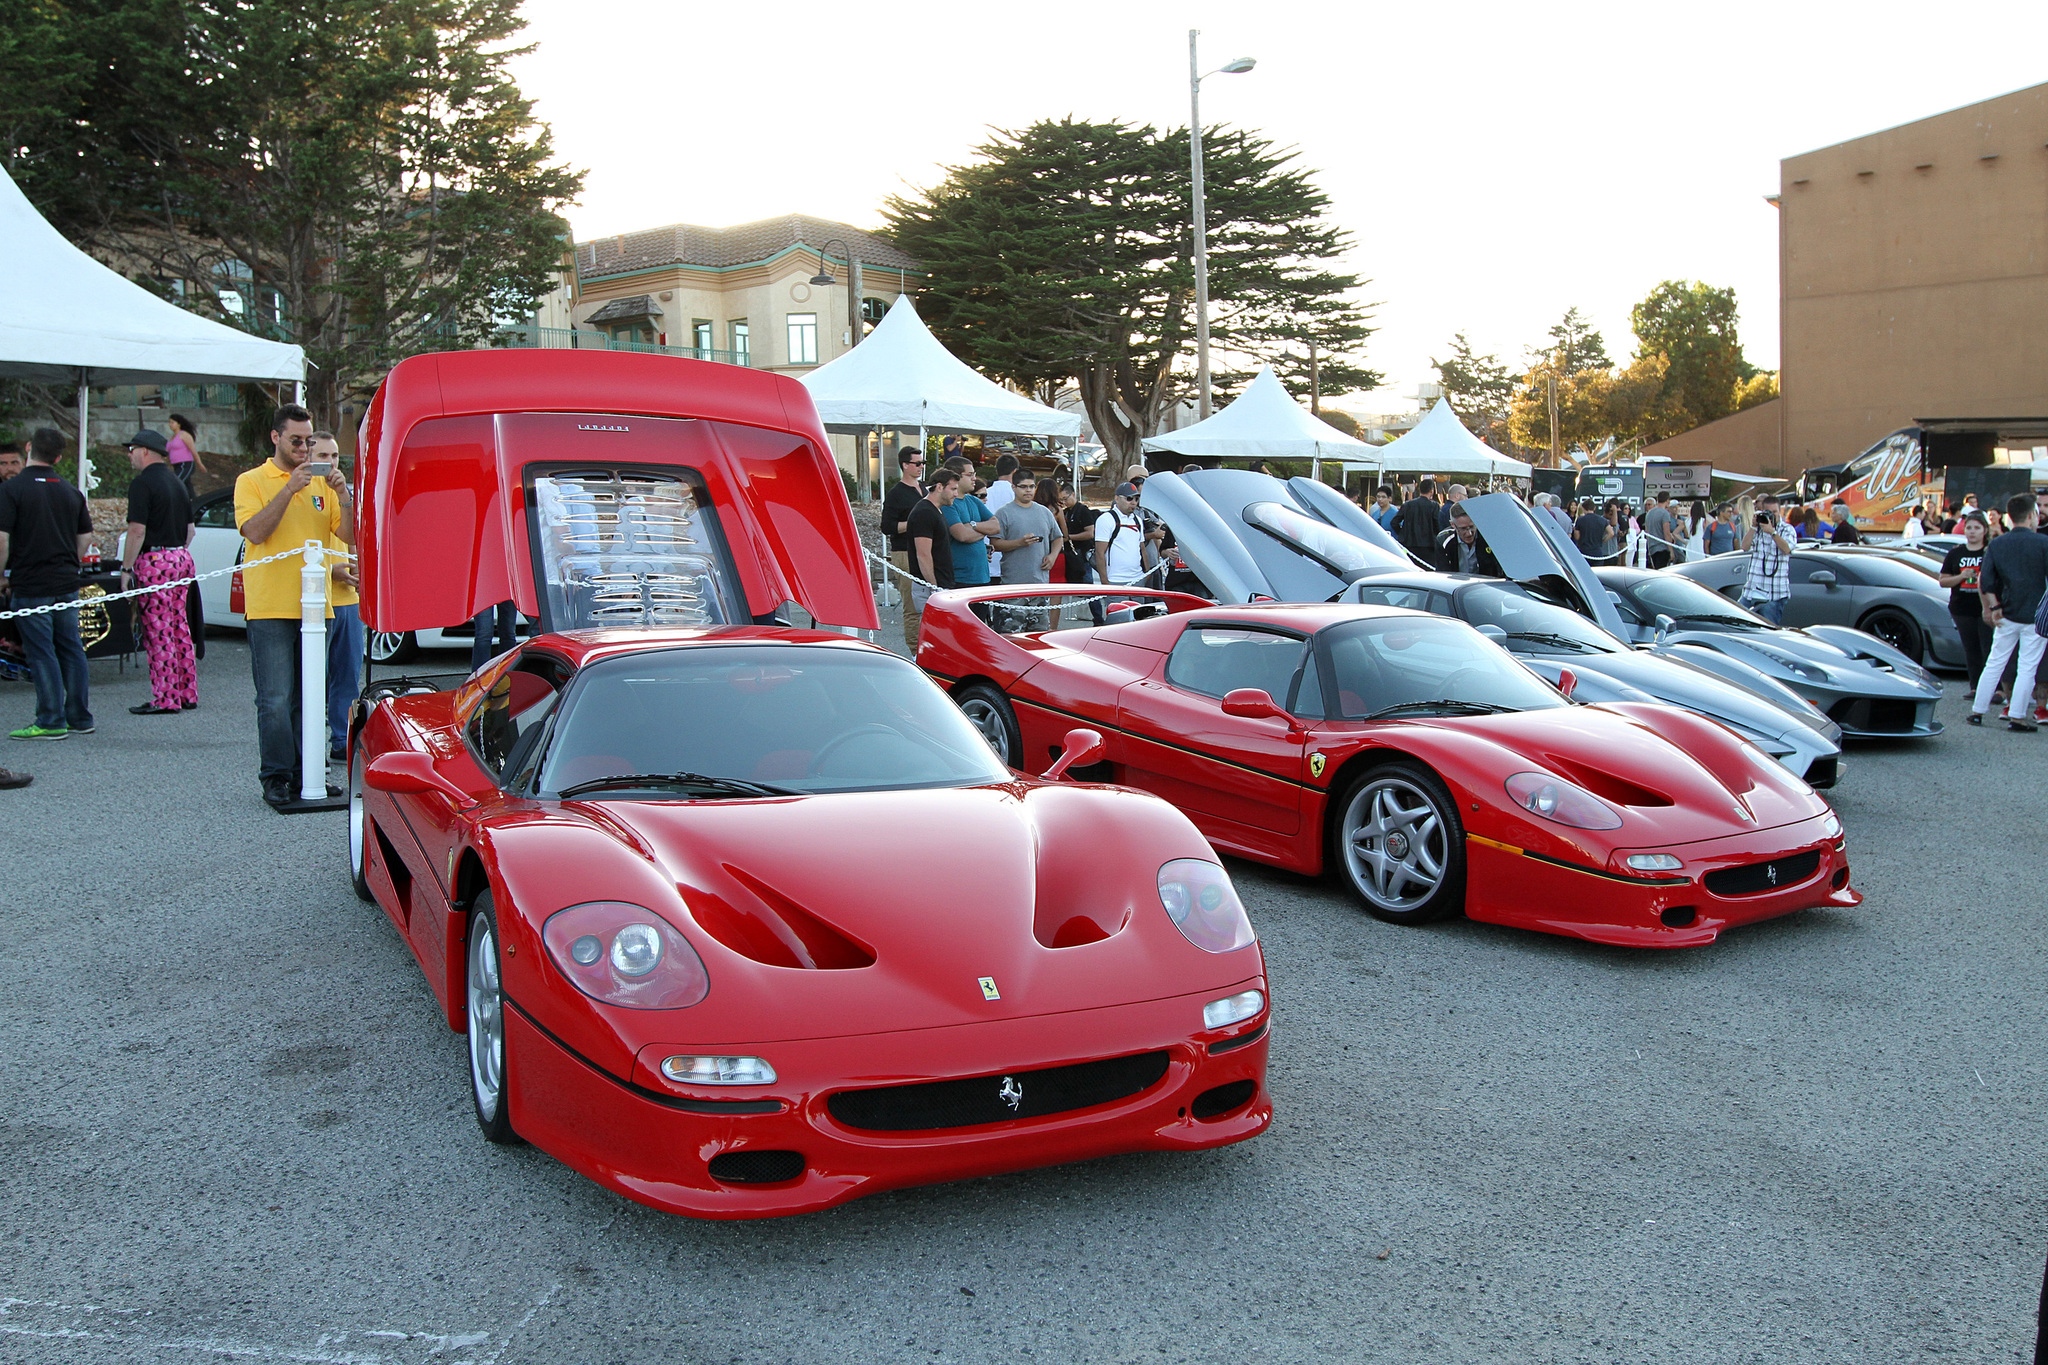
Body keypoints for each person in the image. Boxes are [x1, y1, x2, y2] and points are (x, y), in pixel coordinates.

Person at [236, 404, 353, 807]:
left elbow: (350, 535)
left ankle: (309, 776)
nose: (304, 448)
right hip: (270, 605)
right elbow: (255, 532)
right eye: (296, 441)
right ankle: (276, 776)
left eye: (308, 441)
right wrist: (288, 488)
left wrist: (344, 494)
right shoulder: (251, 481)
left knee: (310, 696)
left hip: (317, 607)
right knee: (275, 697)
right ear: (276, 438)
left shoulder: (323, 486)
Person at [0, 428, 94, 740]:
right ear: (58, 457)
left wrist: (1, 575)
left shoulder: (12, 490)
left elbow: (2, 539)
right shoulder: (70, 491)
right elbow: (85, 536)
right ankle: (79, 717)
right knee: (71, 647)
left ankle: (51, 719)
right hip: (66, 579)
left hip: (31, 582)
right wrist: (71, 562)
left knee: (41, 651)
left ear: (28, 448)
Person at [118, 429, 198, 716]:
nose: (130, 455)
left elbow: (137, 530)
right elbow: (190, 530)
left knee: (157, 629)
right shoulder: (177, 483)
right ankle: (186, 691)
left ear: (145, 451)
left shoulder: (142, 484)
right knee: (179, 625)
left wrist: (126, 568)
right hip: (181, 556)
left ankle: (165, 697)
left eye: (132, 449)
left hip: (155, 560)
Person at [305, 433, 366, 758]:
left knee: (346, 676)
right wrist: (331, 572)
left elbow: (354, 537)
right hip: (317, 598)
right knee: (313, 677)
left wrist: (358, 570)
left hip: (347, 599)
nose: (330, 463)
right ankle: (310, 744)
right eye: (323, 456)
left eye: (335, 456)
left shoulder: (344, 493)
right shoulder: (305, 491)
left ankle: (341, 740)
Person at [1969, 494, 2048, 731]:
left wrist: (1994, 607)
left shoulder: (1997, 543)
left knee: (1995, 662)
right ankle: (2017, 716)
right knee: (2027, 667)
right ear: (2032, 515)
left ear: (2009, 516)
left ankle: (1977, 711)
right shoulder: (2043, 543)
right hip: (2036, 615)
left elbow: (1986, 580)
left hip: (2005, 612)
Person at [904, 464, 962, 649]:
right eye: (952, 489)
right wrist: (933, 587)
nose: (955, 494)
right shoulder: (924, 512)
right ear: (939, 487)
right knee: (934, 641)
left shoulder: (935, 510)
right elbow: (923, 554)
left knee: (944, 639)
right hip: (928, 587)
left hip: (940, 584)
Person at [1940, 511, 1995, 691]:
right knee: (1971, 650)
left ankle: (1994, 688)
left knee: (1988, 648)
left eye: (1977, 528)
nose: (1972, 532)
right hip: (1962, 607)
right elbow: (1943, 581)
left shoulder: (1990, 552)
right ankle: (1975, 687)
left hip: (1986, 607)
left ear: (1984, 530)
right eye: (1969, 527)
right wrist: (1961, 576)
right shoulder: (1956, 553)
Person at [878, 447, 925, 651]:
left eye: (923, 463)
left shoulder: (924, 488)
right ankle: (915, 650)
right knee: (912, 604)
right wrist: (914, 522)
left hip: (926, 550)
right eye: (917, 464)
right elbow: (887, 527)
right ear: (905, 465)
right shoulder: (896, 493)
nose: (921, 467)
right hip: (904, 552)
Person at [942, 458, 999, 586]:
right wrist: (984, 530)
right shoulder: (948, 504)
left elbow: (996, 526)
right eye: (970, 475)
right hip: (960, 579)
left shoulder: (973, 501)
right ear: (955, 476)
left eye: (974, 474)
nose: (974, 478)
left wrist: (973, 525)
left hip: (982, 577)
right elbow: (962, 535)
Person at [1740, 501, 1794, 625]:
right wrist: (1753, 527)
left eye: (1774, 512)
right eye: (1768, 512)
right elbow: (1744, 546)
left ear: (1780, 511)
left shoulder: (1787, 529)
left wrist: (1772, 532)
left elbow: (1787, 549)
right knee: (1739, 626)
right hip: (1751, 591)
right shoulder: (1758, 530)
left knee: (1768, 631)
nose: (1772, 515)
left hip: (1773, 594)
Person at [1094, 482, 1150, 591]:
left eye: (1136, 499)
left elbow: (1142, 548)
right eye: (1129, 498)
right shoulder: (1106, 519)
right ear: (1117, 498)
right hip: (1115, 581)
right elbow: (1099, 552)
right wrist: (1105, 581)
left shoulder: (1137, 520)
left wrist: (1147, 573)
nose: (1133, 503)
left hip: (1138, 579)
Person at [1435, 508, 1501, 576]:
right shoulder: (1444, 541)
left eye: (1472, 527)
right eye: (1463, 529)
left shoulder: (1488, 537)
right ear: (1453, 525)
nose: (1469, 533)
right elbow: (1442, 573)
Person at [1393, 479, 1442, 557]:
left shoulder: (1407, 505)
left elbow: (1394, 522)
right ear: (1431, 491)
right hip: (1428, 544)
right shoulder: (1434, 506)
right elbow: (1437, 525)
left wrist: (1403, 533)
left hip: (1409, 543)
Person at [165, 413, 208, 493]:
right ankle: (193, 500)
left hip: (185, 464)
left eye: (172, 422)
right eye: (169, 422)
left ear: (179, 424)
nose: (170, 425)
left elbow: (193, 450)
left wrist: (199, 463)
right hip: (176, 465)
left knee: (177, 482)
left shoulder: (184, 435)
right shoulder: (172, 437)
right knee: (187, 484)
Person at [1642, 491, 1678, 570]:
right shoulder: (1665, 513)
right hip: (1662, 548)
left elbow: (1647, 532)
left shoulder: (1649, 513)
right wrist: (1671, 550)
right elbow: (1666, 533)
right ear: (1667, 500)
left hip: (1652, 548)